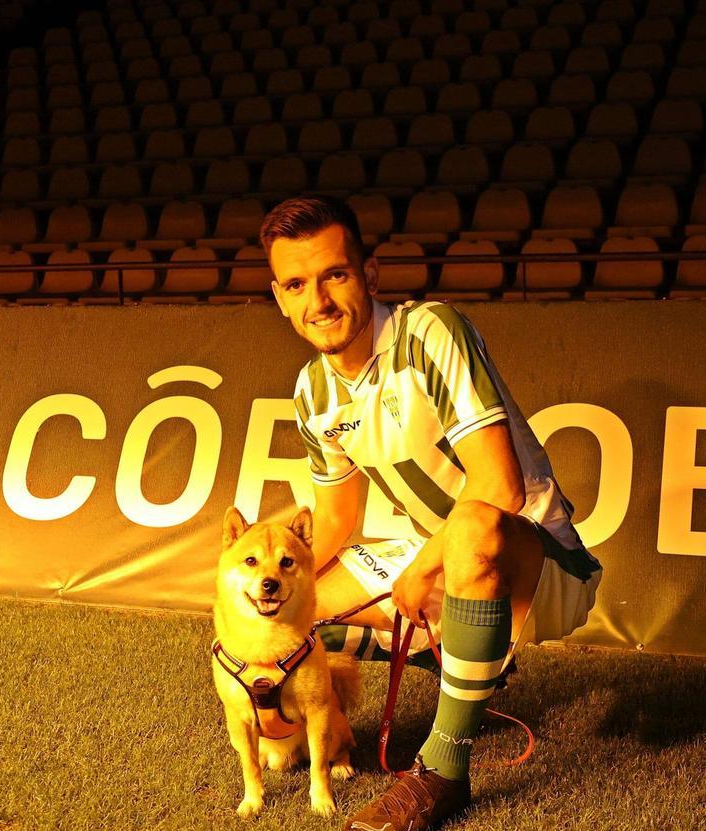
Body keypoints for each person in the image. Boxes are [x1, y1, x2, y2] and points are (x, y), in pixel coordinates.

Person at [261, 195, 603, 831]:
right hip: (440, 559)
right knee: (285, 615)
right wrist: (262, 610)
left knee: (470, 528)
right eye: (297, 284)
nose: (320, 302)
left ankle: (444, 773)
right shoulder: (313, 390)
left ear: (369, 276)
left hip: (536, 560)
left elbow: (498, 487)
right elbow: (333, 524)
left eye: (334, 275)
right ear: (279, 296)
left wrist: (421, 568)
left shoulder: (429, 332)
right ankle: (442, 657)